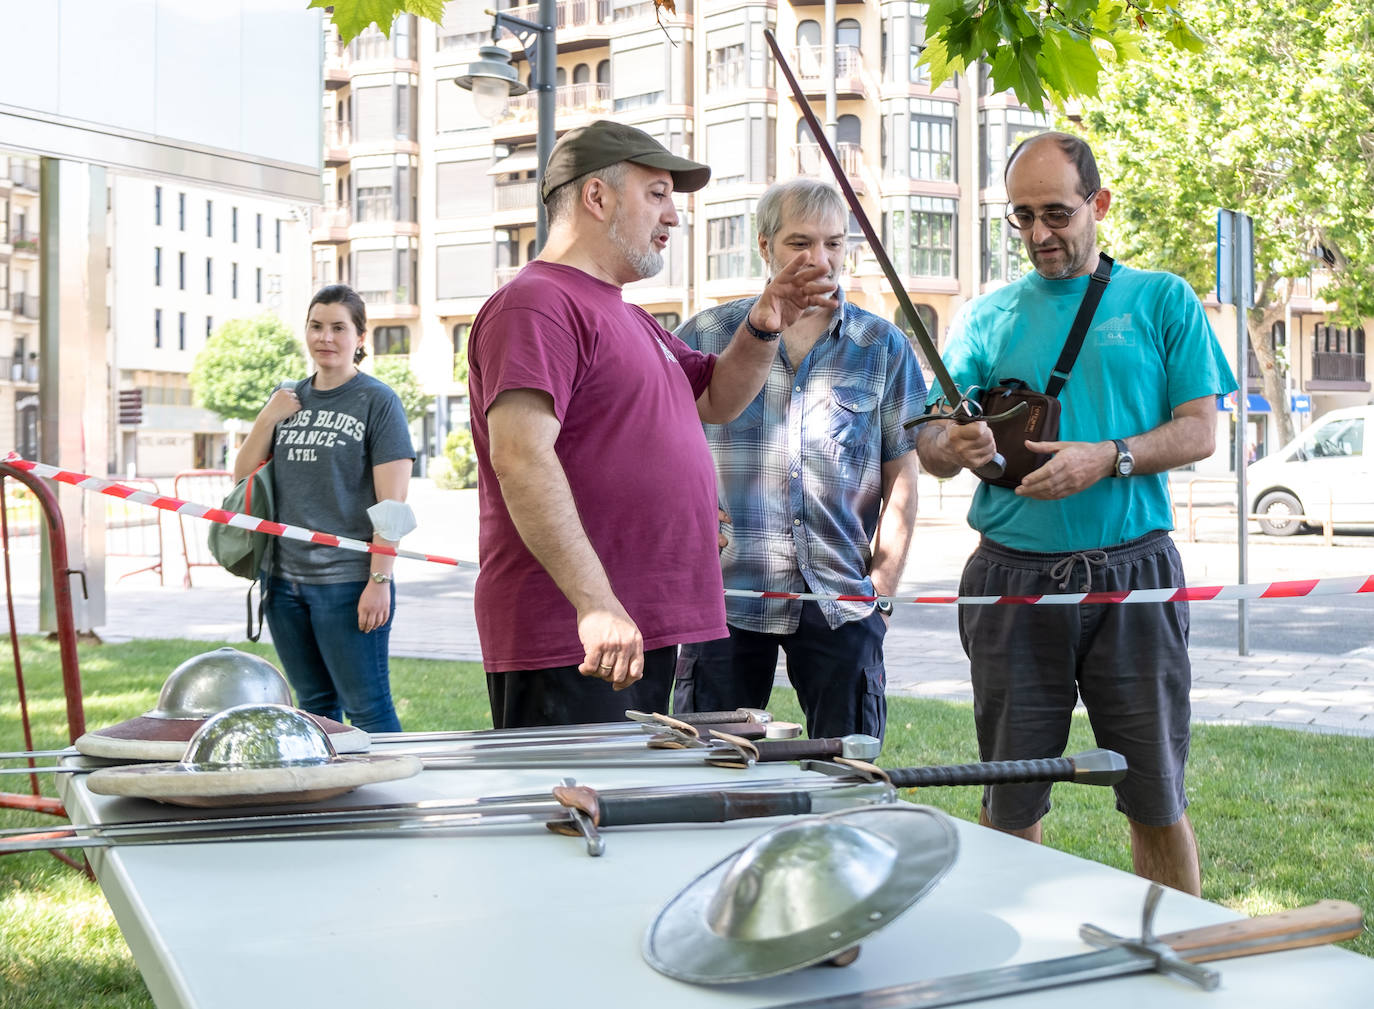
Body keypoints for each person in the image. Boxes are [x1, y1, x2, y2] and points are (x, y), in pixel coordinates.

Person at [914, 132, 1237, 895]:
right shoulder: (986, 316)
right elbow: (927, 443)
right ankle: (1015, 960)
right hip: (1010, 578)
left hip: (1134, 573)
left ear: (1100, 203)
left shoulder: (1161, 299)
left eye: (1055, 212)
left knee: (1156, 794)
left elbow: (1199, 429)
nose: (1037, 234)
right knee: (1011, 794)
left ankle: (1175, 959)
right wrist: (951, 443)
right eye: (1020, 216)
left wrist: (1108, 456)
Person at [467, 120, 839, 729]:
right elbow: (522, 457)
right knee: (575, 817)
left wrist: (767, 321)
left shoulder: (629, 317)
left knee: (631, 817)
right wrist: (595, 604)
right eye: (657, 194)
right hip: (577, 636)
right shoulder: (537, 303)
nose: (673, 217)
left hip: (635, 630)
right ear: (597, 197)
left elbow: (718, 397)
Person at [672, 179, 927, 741]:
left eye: (834, 244)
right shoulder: (706, 335)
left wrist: (881, 588)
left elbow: (902, 472)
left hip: (841, 597)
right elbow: (664, 451)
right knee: (712, 771)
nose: (820, 259)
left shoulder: (882, 346)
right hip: (725, 595)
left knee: (846, 776)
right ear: (764, 247)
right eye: (799, 243)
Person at [234, 284, 415, 733]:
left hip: (346, 584)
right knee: (313, 709)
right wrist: (268, 417)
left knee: (368, 709)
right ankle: (333, 797)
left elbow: (392, 505)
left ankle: (391, 802)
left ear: (360, 338)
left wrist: (379, 580)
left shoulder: (378, 401)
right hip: (283, 582)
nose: (325, 338)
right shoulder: (287, 398)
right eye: (316, 326)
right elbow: (241, 475)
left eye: (339, 327)